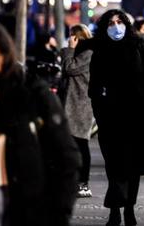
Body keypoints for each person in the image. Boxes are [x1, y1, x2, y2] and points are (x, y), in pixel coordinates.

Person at [0, 22, 80, 226]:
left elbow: (66, 158)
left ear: (1, 55)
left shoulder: (32, 95)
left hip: (25, 204)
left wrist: (60, 213)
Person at [88, 9, 144, 226]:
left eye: (120, 21)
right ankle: (114, 211)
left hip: (138, 119)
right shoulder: (100, 52)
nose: (116, 26)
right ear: (104, 27)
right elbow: (93, 88)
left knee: (133, 168)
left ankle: (128, 208)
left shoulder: (141, 48)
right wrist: (100, 112)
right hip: (111, 119)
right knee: (114, 165)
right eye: (111, 23)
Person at [59, 24, 95, 198]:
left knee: (81, 144)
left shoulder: (88, 54)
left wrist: (69, 50)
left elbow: (69, 68)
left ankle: (83, 184)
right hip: (72, 104)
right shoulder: (81, 53)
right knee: (72, 144)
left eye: (71, 36)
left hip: (81, 105)